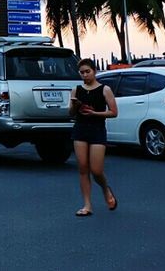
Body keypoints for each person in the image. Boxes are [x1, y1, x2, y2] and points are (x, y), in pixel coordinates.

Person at [70, 58, 118, 216]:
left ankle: (105, 189)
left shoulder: (105, 89)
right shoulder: (76, 90)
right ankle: (87, 205)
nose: (85, 75)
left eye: (87, 71)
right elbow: (70, 114)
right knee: (83, 168)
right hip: (80, 129)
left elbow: (113, 112)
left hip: (97, 129)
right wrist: (75, 106)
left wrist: (95, 113)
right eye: (82, 72)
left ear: (94, 71)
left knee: (96, 170)